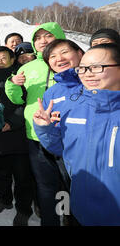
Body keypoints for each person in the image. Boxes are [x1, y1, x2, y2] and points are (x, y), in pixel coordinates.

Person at [33, 43, 120, 225]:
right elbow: (62, 148)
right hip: (82, 210)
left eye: (97, 67)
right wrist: (45, 128)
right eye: (83, 69)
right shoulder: (76, 108)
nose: (88, 73)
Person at [5, 22, 66, 226]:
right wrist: (12, 84)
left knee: (69, 186)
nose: (43, 41)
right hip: (36, 136)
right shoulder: (28, 67)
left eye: (48, 36)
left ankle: (67, 218)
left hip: (67, 137)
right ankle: (50, 222)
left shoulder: (70, 62)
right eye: (38, 38)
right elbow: (17, 100)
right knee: (46, 186)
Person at [0, 46, 34, 226]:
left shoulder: (20, 76)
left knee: (22, 175)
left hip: (17, 133)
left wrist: (13, 122)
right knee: (2, 171)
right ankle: (4, 199)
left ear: (12, 59)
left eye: (3, 58)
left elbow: (29, 102)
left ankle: (23, 209)